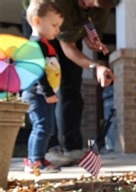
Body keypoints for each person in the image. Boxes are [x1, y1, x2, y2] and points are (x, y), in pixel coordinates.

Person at [22, 0, 115, 166]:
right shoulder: (56, 11)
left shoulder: (102, 5)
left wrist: (91, 36)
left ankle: (70, 147)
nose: (91, 5)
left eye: (95, 5)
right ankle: (44, 153)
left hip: (65, 28)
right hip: (44, 19)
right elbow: (65, 47)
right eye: (89, 1)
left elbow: (84, 28)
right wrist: (95, 67)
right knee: (43, 121)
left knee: (71, 86)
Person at [22, 0, 64, 173]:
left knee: (46, 127)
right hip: (37, 94)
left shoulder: (45, 44)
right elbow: (38, 72)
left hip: (43, 94)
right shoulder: (35, 45)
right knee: (42, 127)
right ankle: (34, 161)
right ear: (38, 21)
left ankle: (38, 158)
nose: (58, 30)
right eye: (54, 25)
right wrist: (48, 93)